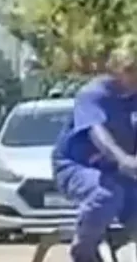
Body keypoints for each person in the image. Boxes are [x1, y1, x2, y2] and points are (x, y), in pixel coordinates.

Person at [52, 36, 137, 261]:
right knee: (108, 193)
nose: (135, 76)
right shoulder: (93, 95)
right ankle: (84, 249)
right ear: (117, 68)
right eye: (131, 69)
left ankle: (122, 238)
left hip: (120, 173)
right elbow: (100, 135)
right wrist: (124, 160)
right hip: (77, 167)